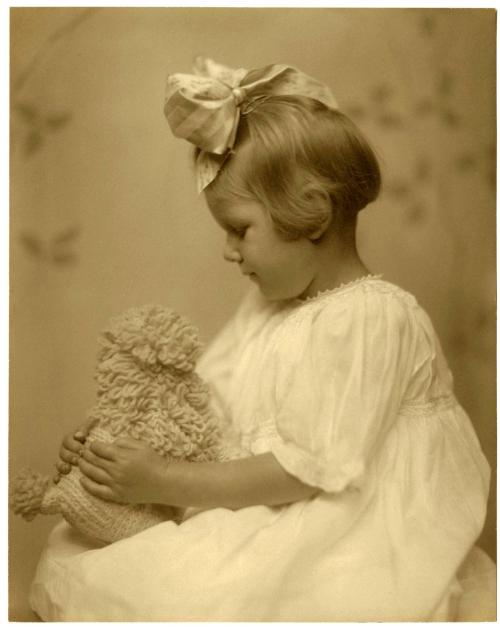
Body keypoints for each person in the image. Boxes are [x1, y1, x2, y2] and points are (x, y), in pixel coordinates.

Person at [29, 58, 495, 622]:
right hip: (262, 504)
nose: (229, 251)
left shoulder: (372, 317)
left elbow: (308, 470)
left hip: (342, 526)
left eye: (240, 229)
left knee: (191, 597)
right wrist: (116, 442)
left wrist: (162, 478)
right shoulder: (270, 308)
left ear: (313, 214)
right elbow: (205, 410)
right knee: (86, 559)